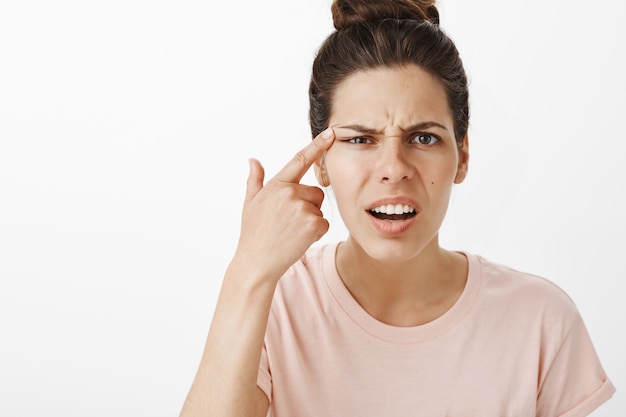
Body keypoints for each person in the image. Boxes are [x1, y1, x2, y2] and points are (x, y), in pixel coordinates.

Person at [179, 0, 615, 415]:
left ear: (462, 156)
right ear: (322, 163)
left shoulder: (542, 322)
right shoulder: (272, 307)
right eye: (360, 139)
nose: (393, 169)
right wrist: (248, 273)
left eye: (423, 138)